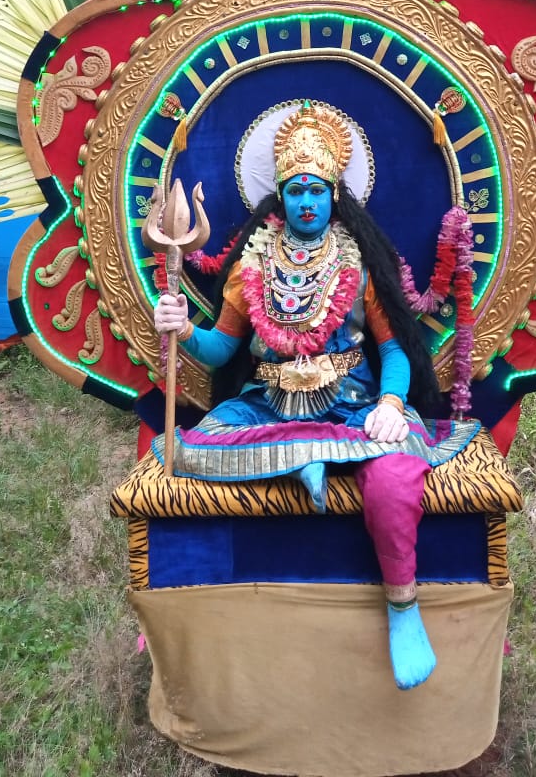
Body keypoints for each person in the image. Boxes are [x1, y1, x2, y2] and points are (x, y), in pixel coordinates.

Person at [153, 101, 478, 690]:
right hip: (266, 408)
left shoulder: (357, 260)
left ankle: (402, 607)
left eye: (318, 191)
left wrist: (390, 404)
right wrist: (182, 332)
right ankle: (304, 461)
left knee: (397, 472)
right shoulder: (251, 262)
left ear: (335, 195)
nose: (307, 202)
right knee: (185, 456)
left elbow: (397, 352)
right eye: (296, 190)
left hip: (352, 407)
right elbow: (223, 351)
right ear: (280, 197)